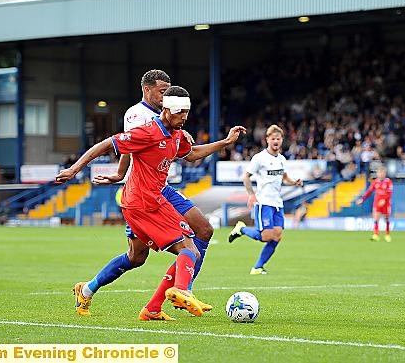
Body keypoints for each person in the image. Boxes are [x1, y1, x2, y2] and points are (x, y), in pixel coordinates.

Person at [55, 85, 246, 319]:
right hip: (143, 202)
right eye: (179, 113)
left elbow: (192, 153)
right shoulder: (146, 131)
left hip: (149, 199)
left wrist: (224, 143)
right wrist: (75, 169)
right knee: (189, 247)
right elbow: (107, 144)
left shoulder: (176, 135)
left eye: (186, 113)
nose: (184, 118)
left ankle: (89, 291)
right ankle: (183, 290)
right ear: (166, 110)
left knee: (136, 257)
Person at [228, 125, 303, 275]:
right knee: (266, 236)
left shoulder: (281, 159)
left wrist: (294, 182)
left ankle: (257, 267)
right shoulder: (260, 158)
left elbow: (285, 177)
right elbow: (246, 177)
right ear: (267, 139)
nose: (276, 141)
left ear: (282, 140)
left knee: (277, 236)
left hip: (277, 203)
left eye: (278, 138)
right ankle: (241, 229)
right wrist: (251, 194)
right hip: (264, 202)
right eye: (273, 138)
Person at [356, 166, 393, 242]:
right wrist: (362, 199)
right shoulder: (375, 182)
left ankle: (387, 234)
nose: (380, 174)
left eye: (382, 173)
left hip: (386, 203)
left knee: (386, 218)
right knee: (376, 218)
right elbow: (369, 191)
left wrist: (384, 200)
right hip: (377, 203)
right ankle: (376, 235)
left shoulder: (388, 182)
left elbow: (389, 193)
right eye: (379, 173)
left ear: (384, 173)